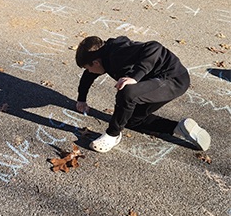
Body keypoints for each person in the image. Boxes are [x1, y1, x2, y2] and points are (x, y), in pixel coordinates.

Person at [75, 35, 211, 153]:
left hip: (173, 80)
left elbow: (155, 47)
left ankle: (112, 135)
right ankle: (178, 128)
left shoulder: (117, 51)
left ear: (96, 62)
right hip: (155, 81)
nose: (89, 71)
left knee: (127, 92)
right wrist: (81, 99)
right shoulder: (102, 56)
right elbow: (88, 75)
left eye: (88, 68)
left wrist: (135, 77)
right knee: (130, 120)